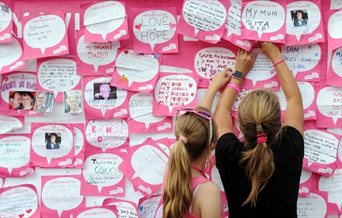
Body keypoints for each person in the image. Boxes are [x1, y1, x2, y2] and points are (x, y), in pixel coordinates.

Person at [214, 44, 304, 217]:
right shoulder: (290, 147)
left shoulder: (229, 153)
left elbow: (222, 113)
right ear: (279, 122)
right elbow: (294, 100)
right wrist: (275, 55)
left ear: (239, 123)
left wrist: (238, 74)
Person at [162, 71, 231, 218]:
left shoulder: (171, 174)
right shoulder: (207, 191)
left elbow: (198, 125)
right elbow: (198, 125)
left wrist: (213, 88)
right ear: (212, 145)